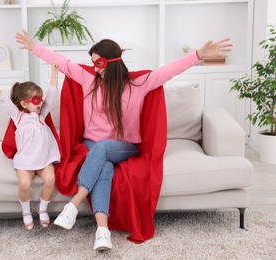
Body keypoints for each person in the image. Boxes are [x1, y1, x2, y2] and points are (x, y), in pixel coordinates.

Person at [15, 30, 232, 250]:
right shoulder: (88, 80)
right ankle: (102, 232)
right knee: (105, 166)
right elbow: (63, 62)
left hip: (124, 147)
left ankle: (74, 203)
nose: (95, 67)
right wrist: (34, 47)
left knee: (104, 149)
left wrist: (198, 55)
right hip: (93, 146)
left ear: (112, 61)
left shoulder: (139, 85)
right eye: (93, 62)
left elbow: (168, 71)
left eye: (98, 62)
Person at [0, 64, 61, 231]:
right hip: (26, 161)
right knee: (24, 184)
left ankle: (43, 208)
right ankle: (25, 211)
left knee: (51, 180)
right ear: (24, 103)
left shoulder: (41, 116)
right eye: (36, 100)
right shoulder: (18, 117)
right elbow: (3, 100)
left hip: (44, 159)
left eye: (41, 98)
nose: (41, 102)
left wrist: (54, 73)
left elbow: (52, 94)